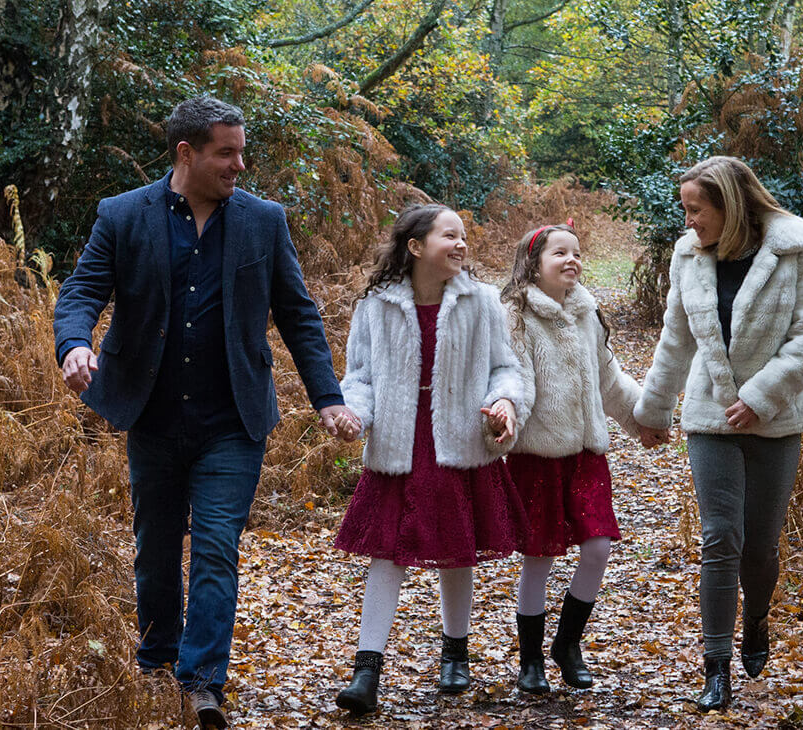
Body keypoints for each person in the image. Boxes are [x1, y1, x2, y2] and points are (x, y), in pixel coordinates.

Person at [52, 95, 361, 729]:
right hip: (153, 416)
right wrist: (75, 343)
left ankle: (201, 680)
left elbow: (298, 315)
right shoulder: (122, 216)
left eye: (241, 152)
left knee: (217, 547)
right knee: (156, 548)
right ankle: (157, 660)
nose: (239, 165)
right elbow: (81, 291)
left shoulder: (263, 221)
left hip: (233, 421)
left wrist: (327, 397)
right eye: (227, 153)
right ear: (187, 153)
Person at [630, 156, 803, 712]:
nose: (688, 220)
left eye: (697, 209)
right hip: (710, 415)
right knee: (721, 537)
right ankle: (715, 666)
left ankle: (757, 621)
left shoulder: (796, 248)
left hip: (777, 418)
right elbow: (675, 337)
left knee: (760, 545)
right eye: (685, 210)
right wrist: (653, 409)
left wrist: (762, 396)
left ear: (731, 205)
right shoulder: (688, 254)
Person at [331, 204, 528, 715]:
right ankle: (366, 670)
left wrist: (504, 402)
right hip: (398, 443)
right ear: (416, 246)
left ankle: (454, 652)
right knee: (388, 553)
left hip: (459, 442)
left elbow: (505, 369)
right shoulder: (375, 305)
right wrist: (353, 415)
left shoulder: (483, 301)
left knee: (457, 548)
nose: (462, 244)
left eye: (464, 236)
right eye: (450, 236)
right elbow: (360, 378)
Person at [497, 222, 642, 694]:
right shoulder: (516, 316)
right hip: (535, 455)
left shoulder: (586, 312)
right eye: (559, 253)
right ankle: (531, 660)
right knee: (538, 558)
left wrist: (644, 423)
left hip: (585, 453)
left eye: (577, 253)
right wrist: (504, 420)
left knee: (598, 547)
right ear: (534, 265)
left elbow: (610, 382)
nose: (571, 260)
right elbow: (512, 382)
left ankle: (567, 644)